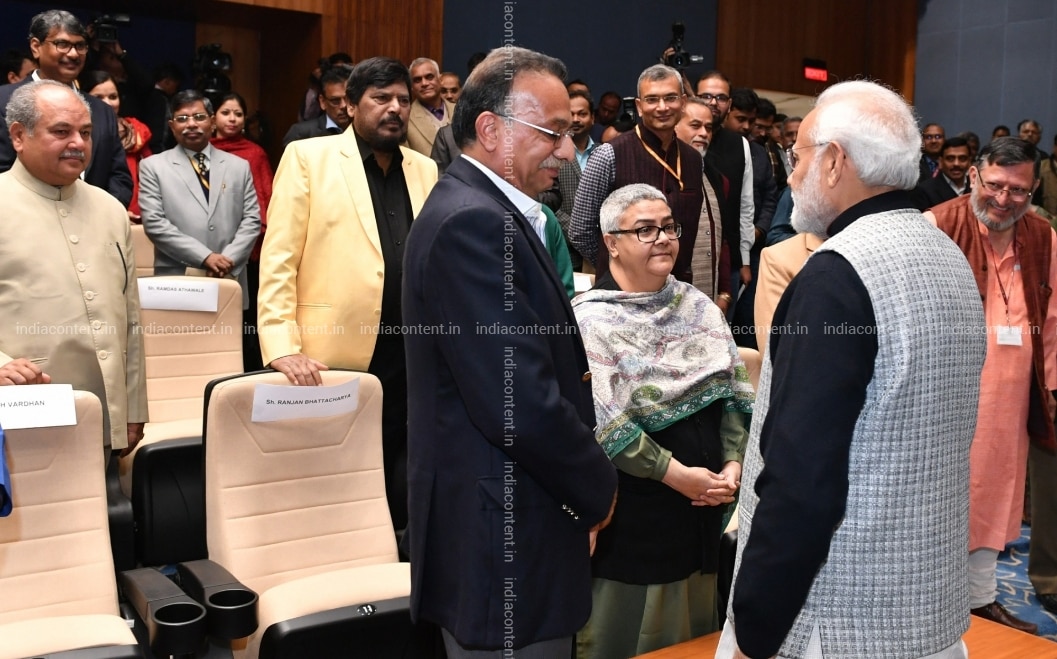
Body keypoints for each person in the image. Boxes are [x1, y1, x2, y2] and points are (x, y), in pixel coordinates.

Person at [718, 80, 987, 659]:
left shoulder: (835, 277)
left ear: (835, 161)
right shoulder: (950, 256)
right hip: (928, 608)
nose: (792, 175)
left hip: (834, 618)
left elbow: (802, 480)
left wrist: (754, 629)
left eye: (799, 156)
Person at [402, 46, 618, 658]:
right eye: (552, 132)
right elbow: (517, 402)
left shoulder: (487, 211)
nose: (567, 151)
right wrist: (598, 485)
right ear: (491, 129)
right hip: (501, 532)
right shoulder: (474, 224)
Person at [258, 57, 438, 531]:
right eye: (381, 98)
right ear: (352, 105)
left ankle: (392, 550)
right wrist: (280, 344)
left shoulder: (424, 168)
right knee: (327, 470)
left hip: (410, 349)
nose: (395, 108)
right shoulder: (308, 157)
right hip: (331, 348)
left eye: (403, 99)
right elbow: (279, 257)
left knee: (398, 461)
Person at [573, 184, 752, 659]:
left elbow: (735, 394)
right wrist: (676, 475)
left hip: (704, 506)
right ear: (611, 242)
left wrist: (733, 465)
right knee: (631, 636)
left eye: (669, 227)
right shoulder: (590, 320)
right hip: (636, 512)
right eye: (645, 230)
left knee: (695, 638)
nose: (663, 239)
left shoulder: (698, 306)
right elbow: (606, 423)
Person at [926, 137, 1056, 634]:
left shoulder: (1043, 236)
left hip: (1012, 399)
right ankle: (931, 603)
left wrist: (1051, 388)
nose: (1004, 199)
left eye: (1018, 191)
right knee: (944, 497)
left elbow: (1053, 318)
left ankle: (980, 598)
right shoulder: (938, 225)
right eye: (995, 185)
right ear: (975, 176)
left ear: (1034, 189)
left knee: (997, 494)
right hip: (946, 397)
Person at [0, 80, 147, 457]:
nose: (78, 143)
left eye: (85, 132)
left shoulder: (111, 209)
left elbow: (130, 318)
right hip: (18, 415)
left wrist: (133, 408)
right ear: (18, 136)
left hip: (103, 418)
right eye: (61, 131)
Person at [569, 64, 702, 283]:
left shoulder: (694, 159)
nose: (662, 107)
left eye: (670, 98)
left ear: (683, 102)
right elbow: (580, 230)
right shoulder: (609, 155)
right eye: (652, 99)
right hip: (622, 288)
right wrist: (615, 265)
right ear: (639, 107)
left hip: (676, 286)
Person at [139, 90, 261, 311]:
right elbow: (155, 224)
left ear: (212, 122)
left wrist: (228, 260)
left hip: (229, 276)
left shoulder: (239, 166)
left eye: (199, 117)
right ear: (171, 125)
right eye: (182, 118)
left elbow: (252, 220)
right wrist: (206, 257)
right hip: (177, 280)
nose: (191, 124)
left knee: (229, 334)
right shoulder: (153, 167)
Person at [0, 10, 132, 207]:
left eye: (80, 46)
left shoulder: (102, 110)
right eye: (62, 44)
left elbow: (119, 175)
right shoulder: (3, 100)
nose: (73, 54)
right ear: (36, 47)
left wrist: (102, 213)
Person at [211, 91, 274, 372]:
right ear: (213, 118)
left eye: (238, 114)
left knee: (246, 315)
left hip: (250, 249)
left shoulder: (255, 153)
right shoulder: (201, 151)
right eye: (226, 113)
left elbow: (266, 197)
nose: (232, 119)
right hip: (209, 246)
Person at [84, 71, 152, 222]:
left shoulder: (137, 132)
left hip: (139, 213)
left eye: (113, 97)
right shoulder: (81, 137)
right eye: (98, 98)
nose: (107, 103)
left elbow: (150, 179)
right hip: (95, 213)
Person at [281, 65, 352, 149]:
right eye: (335, 101)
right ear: (323, 102)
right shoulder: (301, 133)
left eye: (348, 99)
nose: (343, 105)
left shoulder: (361, 130)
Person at [406, 57, 456, 156]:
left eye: (429, 77)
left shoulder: (460, 110)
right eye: (417, 80)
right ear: (411, 87)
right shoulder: (406, 118)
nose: (424, 83)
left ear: (440, 80)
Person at [911, 136, 971, 211]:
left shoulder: (977, 187)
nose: (956, 164)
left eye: (962, 158)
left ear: (969, 162)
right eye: (950, 158)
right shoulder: (924, 191)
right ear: (940, 162)